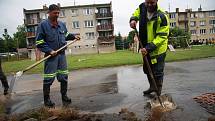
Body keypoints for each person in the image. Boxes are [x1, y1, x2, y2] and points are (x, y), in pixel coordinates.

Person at [36, 4, 80, 107]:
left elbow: (66, 35)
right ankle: (47, 100)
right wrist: (49, 50)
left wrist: (74, 36)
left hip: (62, 55)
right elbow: (39, 42)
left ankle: (64, 96)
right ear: (49, 13)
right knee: (49, 78)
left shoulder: (61, 24)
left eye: (58, 13)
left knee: (64, 76)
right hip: (51, 56)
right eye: (55, 13)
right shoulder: (43, 25)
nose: (57, 15)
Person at [129, 0, 169, 96]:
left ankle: (158, 93)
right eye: (147, 2)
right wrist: (133, 20)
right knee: (147, 68)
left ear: (157, 1)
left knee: (158, 72)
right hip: (145, 47)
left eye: (152, 3)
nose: (149, 5)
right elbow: (136, 13)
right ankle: (152, 87)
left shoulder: (162, 16)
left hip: (158, 49)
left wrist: (148, 48)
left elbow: (162, 36)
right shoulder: (142, 7)